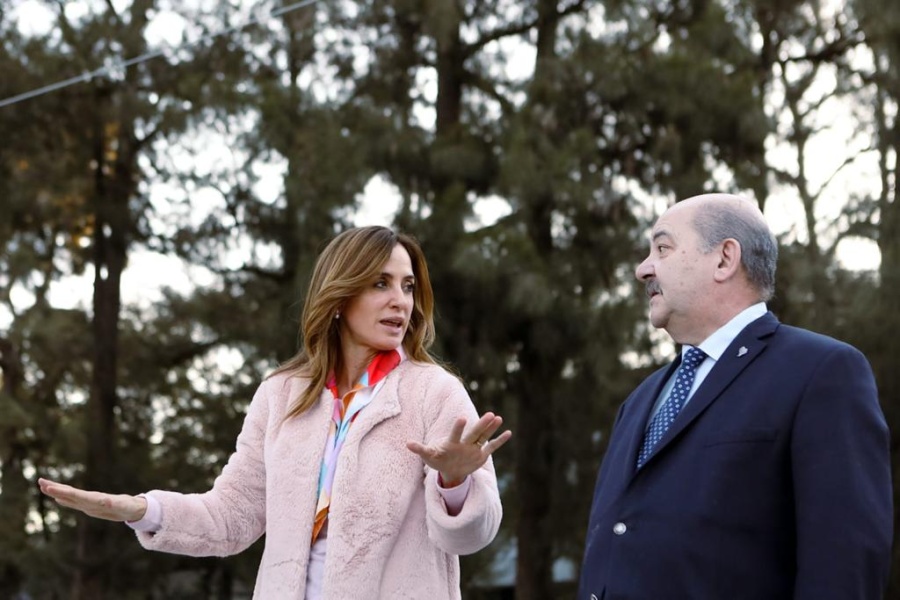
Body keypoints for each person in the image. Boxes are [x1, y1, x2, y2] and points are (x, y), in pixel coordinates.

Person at [39, 225, 512, 600]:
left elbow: (470, 536)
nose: (400, 301)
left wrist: (455, 484)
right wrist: (144, 510)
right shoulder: (281, 394)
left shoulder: (436, 392)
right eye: (380, 283)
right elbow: (231, 516)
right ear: (340, 296)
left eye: (408, 287)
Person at [578, 193, 893, 599]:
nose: (643, 269)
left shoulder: (821, 372)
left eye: (662, 248)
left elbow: (844, 567)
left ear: (725, 259)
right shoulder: (639, 401)